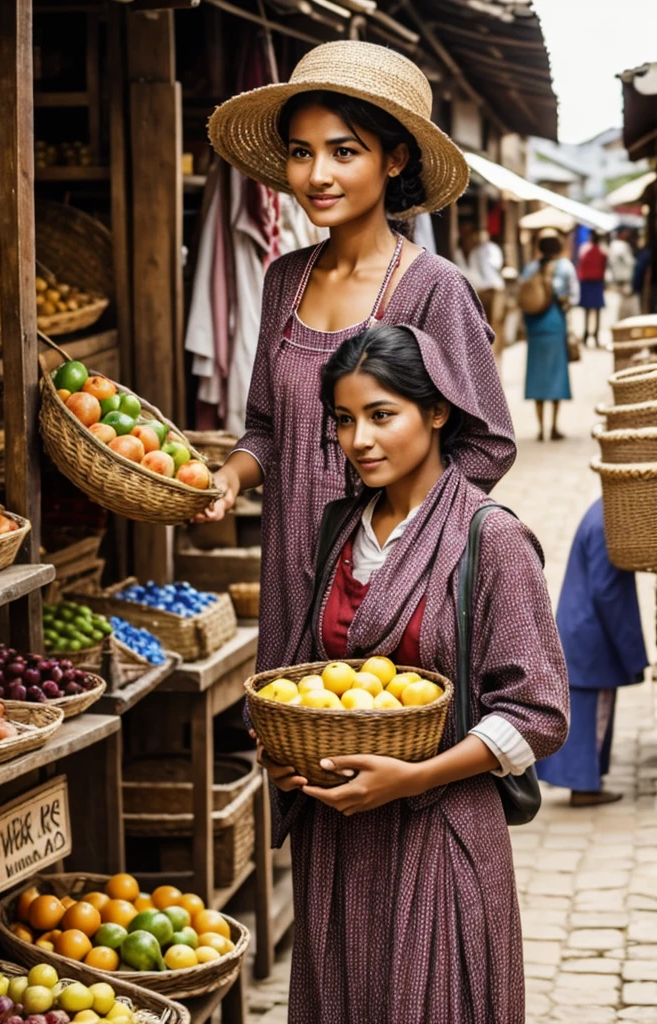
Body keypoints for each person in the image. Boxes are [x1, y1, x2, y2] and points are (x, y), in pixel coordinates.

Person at [255, 325, 568, 1024]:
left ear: (438, 411)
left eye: (381, 414)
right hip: (338, 841)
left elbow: (538, 714)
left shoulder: (490, 538)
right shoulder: (340, 530)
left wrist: (412, 777)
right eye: (343, 419)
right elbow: (315, 680)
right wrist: (288, 760)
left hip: (439, 834)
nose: (358, 440)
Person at [205, 40, 516, 673]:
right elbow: (266, 427)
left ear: (394, 159)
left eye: (344, 151)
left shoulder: (433, 288)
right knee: (296, 738)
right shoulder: (283, 279)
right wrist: (229, 478)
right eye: (301, 152)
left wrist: (397, 541)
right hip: (292, 570)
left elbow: (488, 443)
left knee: (381, 744)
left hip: (392, 587)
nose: (317, 174)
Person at [537, 498, 647, 806]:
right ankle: (584, 785)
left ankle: (583, 780)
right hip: (592, 632)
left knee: (586, 710)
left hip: (581, 625)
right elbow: (608, 593)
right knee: (592, 711)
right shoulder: (610, 524)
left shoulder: (603, 512)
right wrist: (633, 654)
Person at [521, 228, 579, 442]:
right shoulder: (565, 267)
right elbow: (573, 297)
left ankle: (540, 428)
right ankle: (554, 426)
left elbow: (523, 296)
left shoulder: (530, 268)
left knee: (536, 376)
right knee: (556, 376)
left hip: (535, 327)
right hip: (555, 324)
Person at [454, 220, 507, 364]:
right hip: (474, 294)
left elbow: (494, 267)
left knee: (494, 329)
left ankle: (495, 362)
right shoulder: (458, 253)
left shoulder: (486, 250)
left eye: (469, 233)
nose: (467, 237)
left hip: (491, 291)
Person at [577, 229, 607, 347]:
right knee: (596, 311)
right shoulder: (602, 252)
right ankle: (594, 335)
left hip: (588, 283)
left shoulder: (585, 250)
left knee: (587, 311)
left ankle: (588, 335)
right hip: (595, 283)